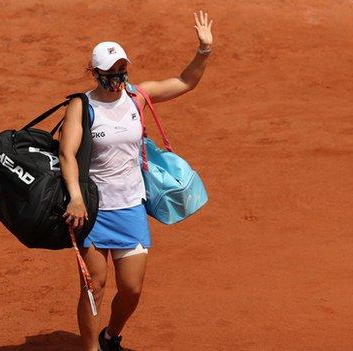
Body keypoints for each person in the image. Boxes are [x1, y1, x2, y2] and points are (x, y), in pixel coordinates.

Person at [59, 10, 214, 351]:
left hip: (130, 207)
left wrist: (203, 51)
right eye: (110, 72)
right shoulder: (81, 106)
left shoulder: (136, 98)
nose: (117, 76)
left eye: (121, 69)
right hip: (94, 210)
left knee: (131, 290)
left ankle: (111, 335)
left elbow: (185, 81)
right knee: (94, 286)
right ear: (94, 72)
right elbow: (67, 154)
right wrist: (75, 196)